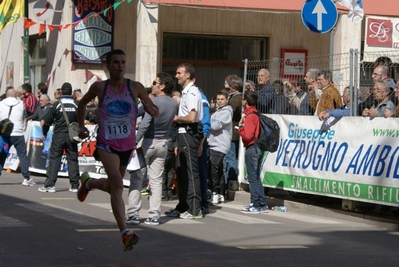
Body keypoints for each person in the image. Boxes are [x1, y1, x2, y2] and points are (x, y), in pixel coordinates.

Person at [76, 49, 159, 251]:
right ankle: (124, 233)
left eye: (123, 62)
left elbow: (153, 109)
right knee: (119, 183)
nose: (120, 66)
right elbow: (82, 103)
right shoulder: (99, 87)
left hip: (126, 145)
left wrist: (152, 109)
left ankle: (89, 183)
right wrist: (80, 126)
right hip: (106, 144)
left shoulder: (136, 87)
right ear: (108, 66)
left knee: (114, 186)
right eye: (115, 62)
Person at [125, 72, 176, 226]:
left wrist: (133, 142)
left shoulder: (153, 102)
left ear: (162, 86)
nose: (152, 85)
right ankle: (154, 215)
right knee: (156, 180)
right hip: (163, 142)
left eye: (155, 82)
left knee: (137, 178)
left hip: (147, 142)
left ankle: (133, 213)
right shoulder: (173, 103)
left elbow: (145, 123)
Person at [165, 63, 203, 220]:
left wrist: (176, 118)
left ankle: (195, 208)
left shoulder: (193, 92)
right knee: (180, 171)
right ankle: (182, 205)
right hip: (182, 134)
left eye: (179, 73)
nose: (176, 76)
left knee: (190, 171)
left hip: (189, 133)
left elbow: (192, 118)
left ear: (188, 75)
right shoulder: (185, 93)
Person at [38, 83, 92, 193]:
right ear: (71, 92)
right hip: (72, 136)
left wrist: (44, 133)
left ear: (61, 92)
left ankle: (50, 185)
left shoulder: (56, 105)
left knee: (54, 159)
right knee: (72, 159)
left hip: (58, 135)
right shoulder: (77, 104)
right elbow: (89, 116)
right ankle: (75, 185)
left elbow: (47, 121)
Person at [237, 91, 268, 214]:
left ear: (246, 101)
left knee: (252, 178)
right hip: (258, 147)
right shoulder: (255, 113)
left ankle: (255, 204)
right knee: (256, 177)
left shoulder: (250, 116)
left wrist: (240, 128)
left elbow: (248, 136)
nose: (242, 101)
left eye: (243, 99)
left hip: (252, 148)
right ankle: (262, 203)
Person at [0, 87, 35, 186]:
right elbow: (24, 116)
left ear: (6, 95)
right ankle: (26, 178)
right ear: (15, 95)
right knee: (22, 155)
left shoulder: (1, 104)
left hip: (5, 133)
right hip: (18, 133)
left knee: (2, 154)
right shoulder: (21, 103)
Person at [208, 90, 232, 205]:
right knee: (218, 169)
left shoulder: (226, 112)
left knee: (214, 168)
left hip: (220, 144)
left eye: (222, 99)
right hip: (213, 143)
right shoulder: (217, 112)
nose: (220, 101)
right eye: (218, 99)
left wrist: (206, 123)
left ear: (227, 100)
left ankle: (215, 192)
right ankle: (221, 193)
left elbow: (216, 125)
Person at [223, 75, 243, 188]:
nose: (227, 86)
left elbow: (230, 114)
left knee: (231, 157)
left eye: (229, 84)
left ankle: (230, 181)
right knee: (228, 157)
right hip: (229, 132)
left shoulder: (236, 99)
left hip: (232, 133)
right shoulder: (232, 97)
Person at [198, 88, 211, 214]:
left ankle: (203, 202)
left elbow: (206, 122)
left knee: (201, 172)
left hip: (199, 140)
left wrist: (202, 141)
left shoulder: (201, 99)